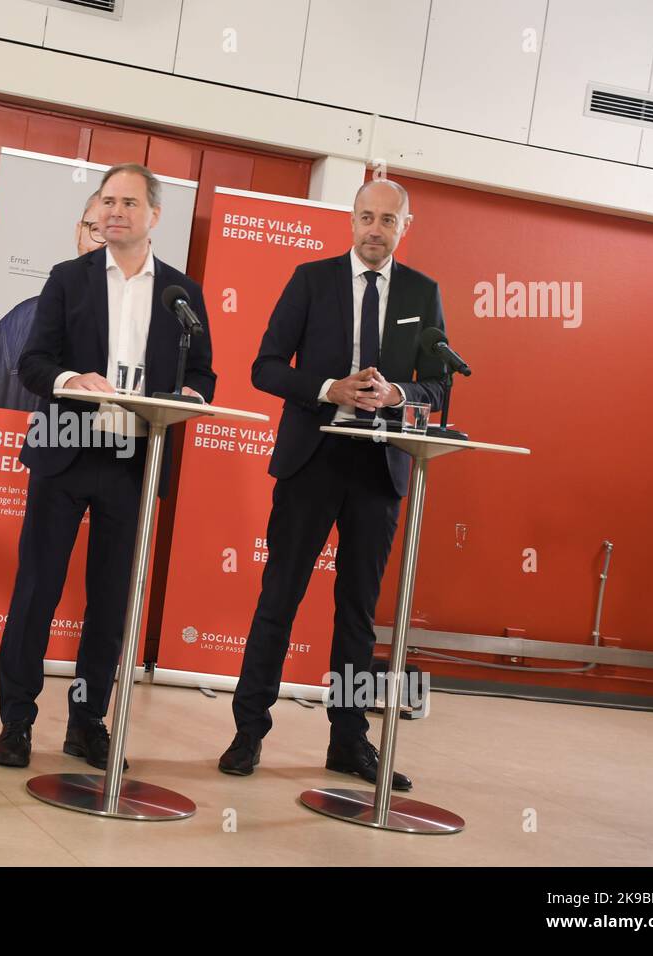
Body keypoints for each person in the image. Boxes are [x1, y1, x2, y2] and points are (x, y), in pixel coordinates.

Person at [217, 179, 447, 790]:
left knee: (357, 615)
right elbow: (265, 366)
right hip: (312, 461)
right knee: (280, 597)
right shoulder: (310, 279)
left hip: (380, 466)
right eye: (366, 217)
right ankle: (247, 731)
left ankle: (349, 741)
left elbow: (441, 387)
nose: (375, 229)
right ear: (351, 220)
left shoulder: (424, 293)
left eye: (388, 221)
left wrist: (397, 394)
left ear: (406, 226)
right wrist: (329, 389)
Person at [0, 163, 215, 770]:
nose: (115, 212)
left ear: (154, 215)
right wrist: (72, 380)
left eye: (128, 202)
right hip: (66, 446)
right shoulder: (69, 279)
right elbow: (34, 363)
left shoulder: (181, 293)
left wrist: (191, 398)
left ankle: (88, 723)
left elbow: (203, 377)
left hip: (133, 458)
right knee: (36, 589)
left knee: (110, 600)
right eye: (107, 202)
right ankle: (17, 721)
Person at [0, 191, 104, 413]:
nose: (104, 246)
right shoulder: (15, 327)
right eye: (97, 230)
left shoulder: (145, 339)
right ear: (79, 232)